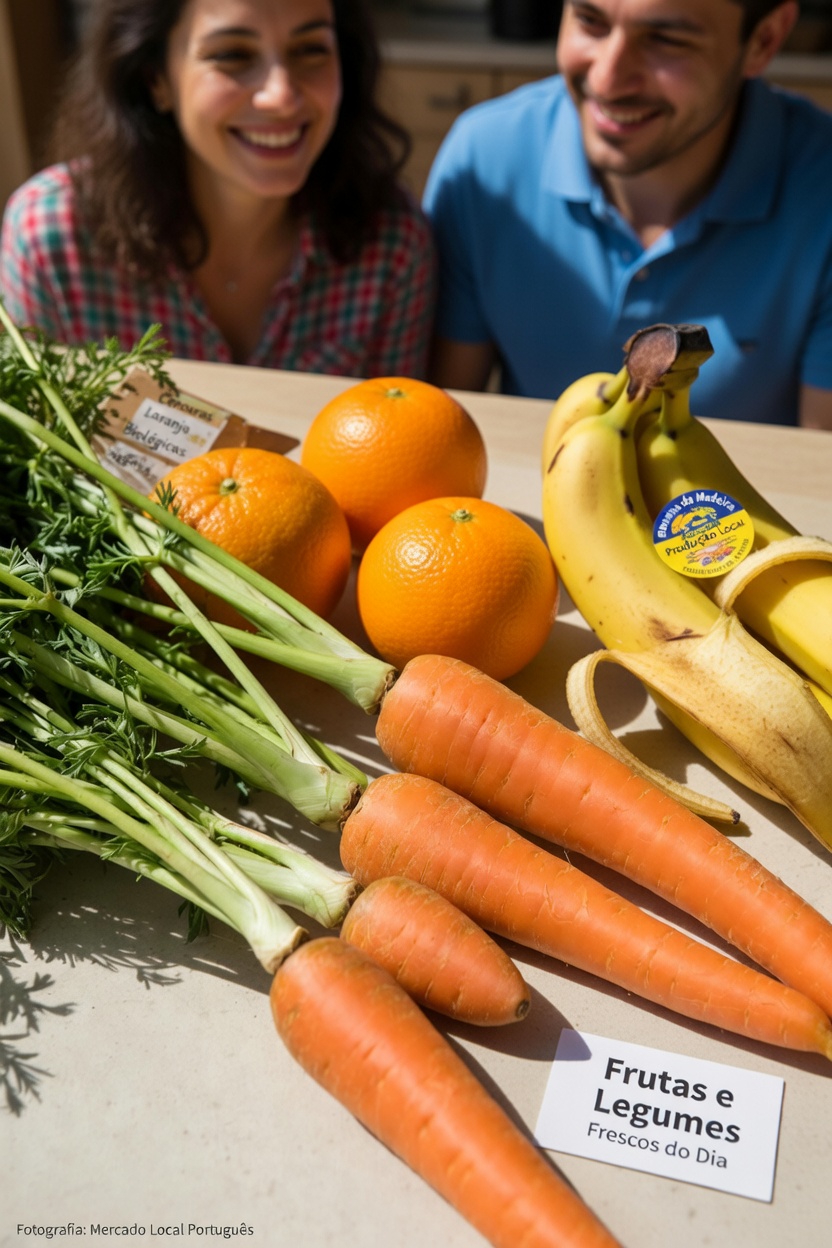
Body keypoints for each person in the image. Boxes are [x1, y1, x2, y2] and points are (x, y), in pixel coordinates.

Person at [423, 0, 832, 428]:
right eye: (590, 21)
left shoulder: (820, 194)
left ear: (764, 40)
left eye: (665, 39)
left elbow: (819, 469)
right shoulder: (483, 163)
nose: (607, 79)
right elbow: (442, 432)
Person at [0, 0, 435, 378]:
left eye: (310, 50)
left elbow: (395, 452)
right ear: (157, 80)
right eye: (232, 55)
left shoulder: (392, 246)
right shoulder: (51, 240)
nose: (281, 96)